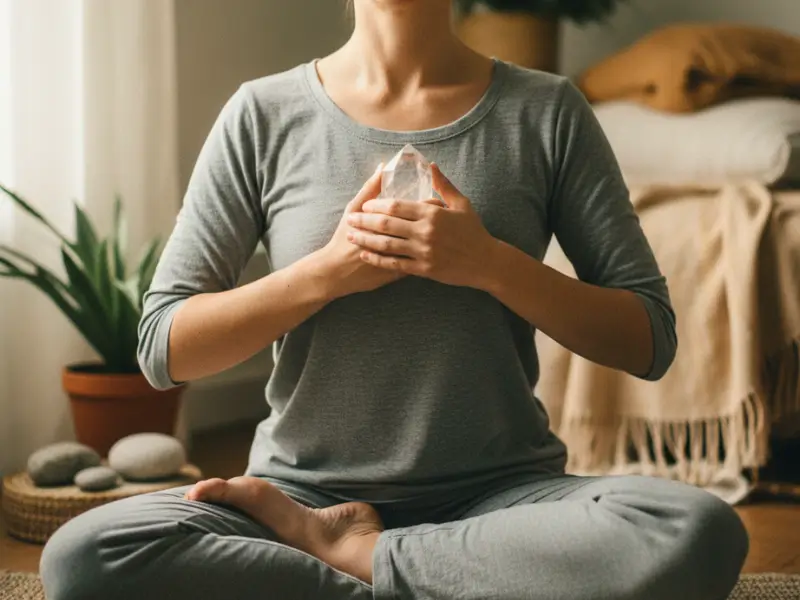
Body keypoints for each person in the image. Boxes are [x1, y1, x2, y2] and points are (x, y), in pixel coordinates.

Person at [40, 1, 748, 598]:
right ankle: (437, 578)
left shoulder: (547, 111)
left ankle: (357, 561)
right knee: (85, 556)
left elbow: (649, 338)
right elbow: (164, 349)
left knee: (694, 530)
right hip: (296, 499)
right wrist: (329, 271)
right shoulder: (263, 113)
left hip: (505, 502)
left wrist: (489, 263)